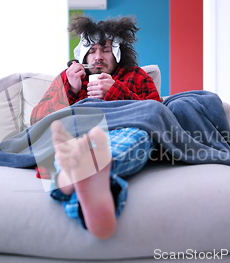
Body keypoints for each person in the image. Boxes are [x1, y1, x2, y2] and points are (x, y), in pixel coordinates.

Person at [30, 15, 161, 239]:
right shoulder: (67, 78)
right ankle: (88, 175)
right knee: (65, 142)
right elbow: (37, 119)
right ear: (82, 54)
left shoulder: (136, 76)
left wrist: (117, 92)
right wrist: (70, 90)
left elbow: (157, 115)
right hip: (78, 133)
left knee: (139, 136)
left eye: (106, 50)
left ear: (118, 53)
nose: (98, 57)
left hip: (122, 131)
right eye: (91, 50)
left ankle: (69, 179)